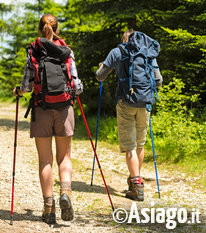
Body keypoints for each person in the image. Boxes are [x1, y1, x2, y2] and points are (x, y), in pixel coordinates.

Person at [13, 14, 83, 224]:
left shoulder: (33, 50)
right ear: (57, 28)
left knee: (45, 160)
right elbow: (77, 86)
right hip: (64, 108)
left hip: (41, 108)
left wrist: (18, 91)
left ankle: (49, 208)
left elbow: (26, 86)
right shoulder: (67, 51)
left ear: (39, 29)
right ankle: (66, 193)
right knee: (64, 157)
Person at [96, 29, 163, 201]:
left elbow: (100, 77)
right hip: (145, 102)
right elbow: (159, 80)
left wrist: (102, 67)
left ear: (124, 39)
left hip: (125, 101)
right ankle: (135, 179)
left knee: (130, 146)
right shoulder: (148, 52)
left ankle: (137, 186)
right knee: (139, 143)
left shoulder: (118, 51)